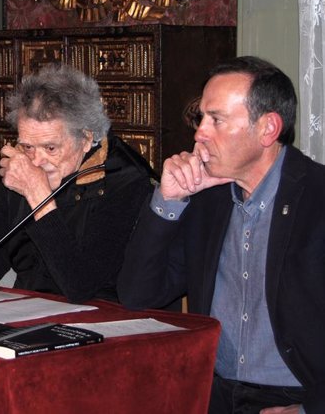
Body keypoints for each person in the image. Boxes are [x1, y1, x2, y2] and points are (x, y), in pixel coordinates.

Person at [117, 56, 325, 414]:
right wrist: (167, 201)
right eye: (201, 118)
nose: (199, 133)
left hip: (294, 398)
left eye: (216, 119)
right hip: (210, 394)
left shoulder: (317, 199)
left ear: (268, 129)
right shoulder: (208, 200)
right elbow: (138, 295)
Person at [0, 64, 156, 303]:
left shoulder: (125, 181)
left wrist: (38, 195)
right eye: (28, 146)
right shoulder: (22, 169)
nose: (37, 161)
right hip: (31, 311)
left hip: (106, 317)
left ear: (86, 138)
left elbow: (81, 286)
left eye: (51, 148)